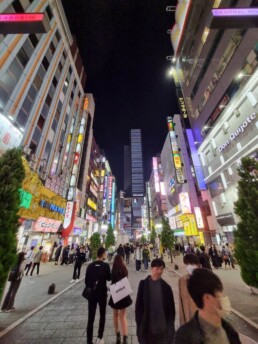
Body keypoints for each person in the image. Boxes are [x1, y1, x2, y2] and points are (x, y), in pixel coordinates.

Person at [174, 268, 241, 344]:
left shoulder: (229, 330)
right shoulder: (185, 337)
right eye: (220, 293)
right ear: (207, 298)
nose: (224, 297)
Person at [135, 258, 176, 344]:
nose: (159, 271)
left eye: (161, 269)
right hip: (147, 329)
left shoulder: (166, 288)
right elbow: (138, 307)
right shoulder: (143, 285)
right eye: (157, 268)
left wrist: (170, 330)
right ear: (151, 269)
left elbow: (171, 311)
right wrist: (139, 326)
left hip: (163, 330)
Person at [85, 247, 111, 344]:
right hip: (102, 294)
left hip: (92, 294)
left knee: (90, 317)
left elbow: (86, 281)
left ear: (97, 255)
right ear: (103, 254)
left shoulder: (90, 266)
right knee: (102, 315)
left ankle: (89, 340)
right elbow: (109, 278)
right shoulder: (105, 266)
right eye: (106, 253)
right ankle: (100, 337)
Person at [109, 255, 132, 344]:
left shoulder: (113, 270)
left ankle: (117, 334)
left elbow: (111, 280)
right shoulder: (124, 269)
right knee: (123, 316)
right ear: (122, 261)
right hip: (123, 292)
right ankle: (125, 338)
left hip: (115, 292)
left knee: (115, 315)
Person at [178, 253, 199, 325]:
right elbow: (181, 305)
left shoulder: (206, 279)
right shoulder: (182, 281)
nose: (189, 266)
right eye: (187, 264)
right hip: (189, 322)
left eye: (191, 264)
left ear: (197, 265)